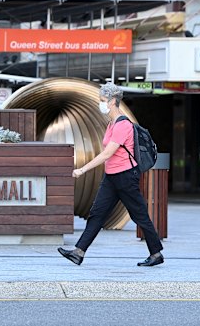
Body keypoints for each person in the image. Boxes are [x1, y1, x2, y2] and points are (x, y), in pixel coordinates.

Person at [57, 82, 164, 267]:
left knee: (139, 215)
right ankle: (78, 252)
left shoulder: (123, 125)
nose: (101, 103)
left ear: (113, 101)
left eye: (103, 100)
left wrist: (83, 169)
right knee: (97, 214)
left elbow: (108, 153)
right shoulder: (111, 123)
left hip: (126, 177)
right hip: (112, 177)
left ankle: (156, 253)